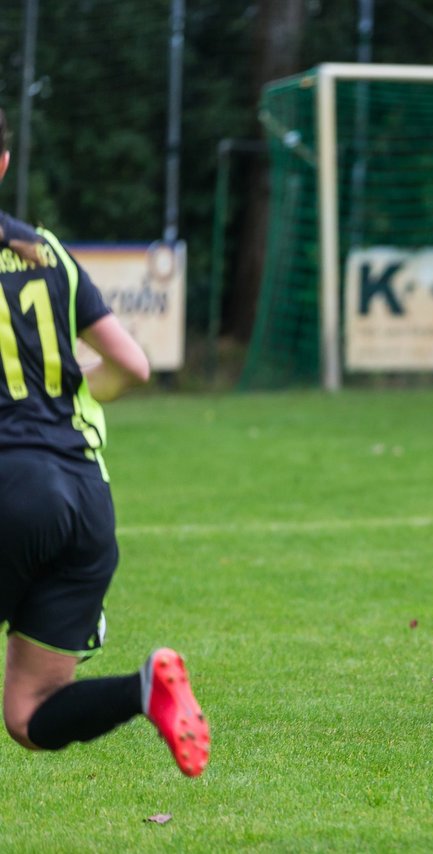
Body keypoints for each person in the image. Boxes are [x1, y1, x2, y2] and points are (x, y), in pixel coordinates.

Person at [0, 108, 209, 777]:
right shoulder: (47, 251)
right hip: (86, 499)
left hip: (10, 489)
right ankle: (144, 688)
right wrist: (59, 393)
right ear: (3, 165)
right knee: (31, 715)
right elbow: (134, 366)